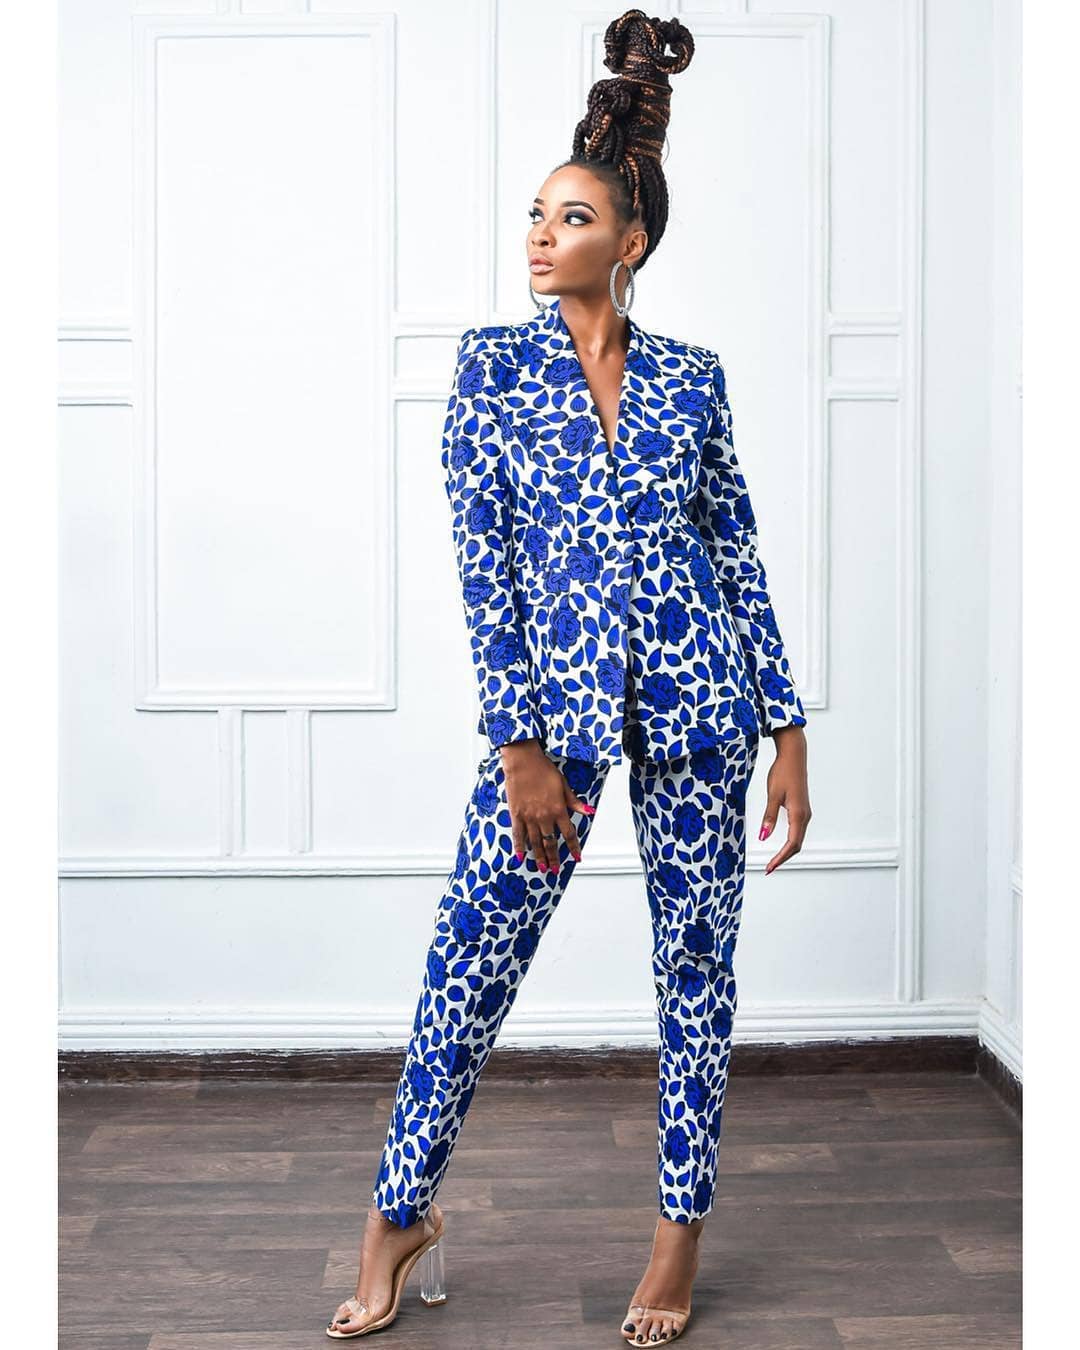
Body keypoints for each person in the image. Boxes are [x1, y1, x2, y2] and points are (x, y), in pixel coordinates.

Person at [327, 8, 812, 1344]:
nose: (541, 235)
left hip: (704, 705)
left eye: (573, 217)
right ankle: (397, 1215)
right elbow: (484, 566)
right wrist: (519, 742)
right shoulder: (490, 370)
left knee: (696, 973)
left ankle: (677, 1239)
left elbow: (736, 551)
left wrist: (786, 724)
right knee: (469, 960)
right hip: (554, 723)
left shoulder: (693, 382)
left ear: (630, 241)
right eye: (536, 214)